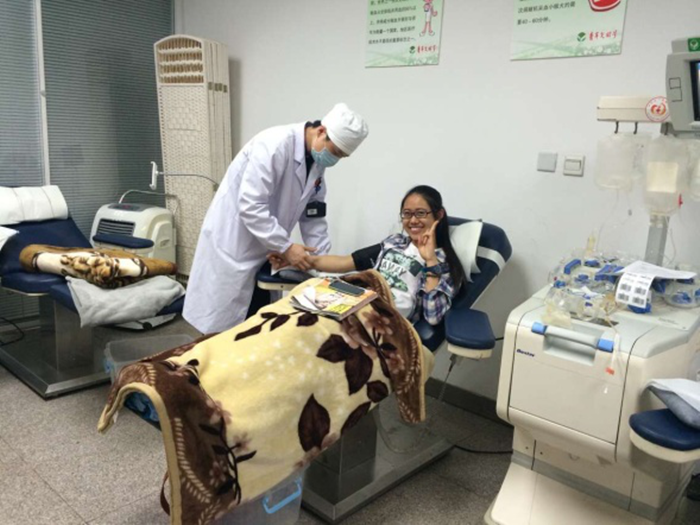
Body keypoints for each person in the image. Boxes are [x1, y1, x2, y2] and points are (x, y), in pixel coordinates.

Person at [183, 103, 369, 334]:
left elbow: (313, 215)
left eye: (342, 156)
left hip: (266, 247)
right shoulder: (274, 145)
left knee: (255, 322)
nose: (335, 159)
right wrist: (287, 247)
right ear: (321, 131)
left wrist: (321, 264)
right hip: (233, 244)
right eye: (336, 152)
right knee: (221, 330)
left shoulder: (316, 163)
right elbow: (251, 205)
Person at [270, 185, 465, 326]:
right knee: (289, 314)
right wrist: (296, 259)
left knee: (311, 328)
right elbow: (346, 262)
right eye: (407, 214)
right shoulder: (394, 242)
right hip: (357, 300)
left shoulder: (443, 263)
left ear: (439, 215)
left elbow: (433, 317)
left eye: (421, 213)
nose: (413, 220)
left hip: (383, 318)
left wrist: (430, 260)